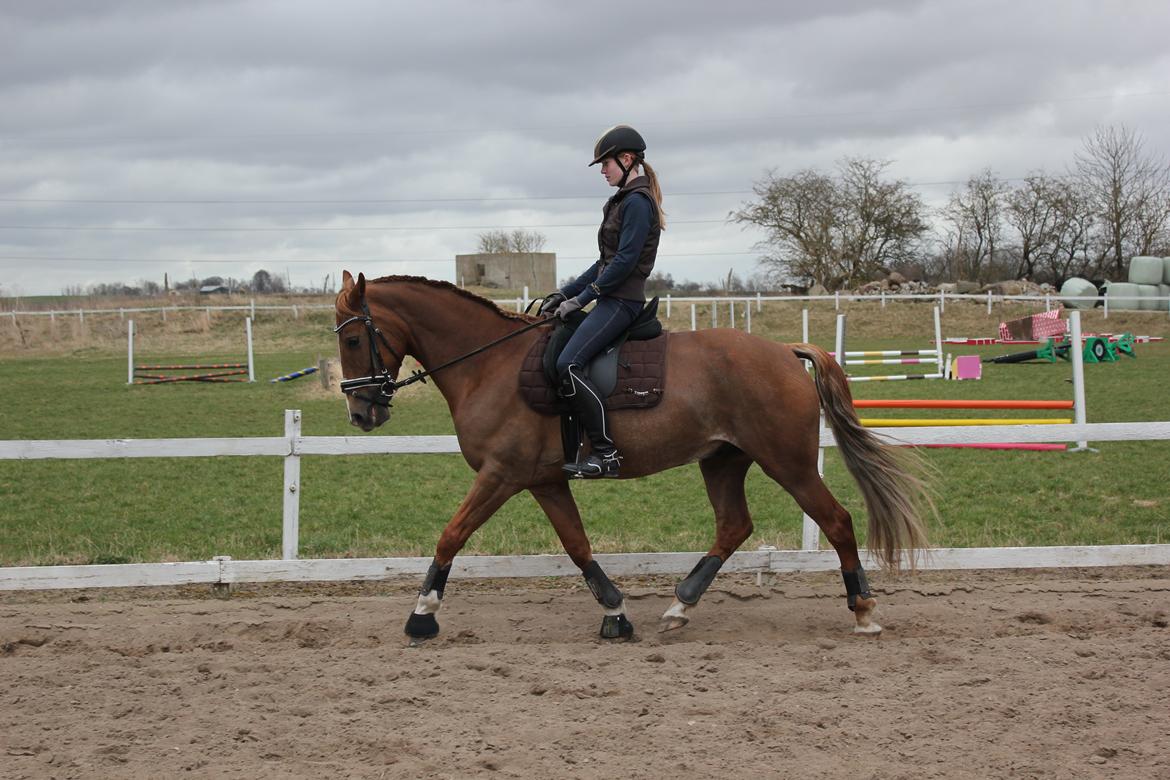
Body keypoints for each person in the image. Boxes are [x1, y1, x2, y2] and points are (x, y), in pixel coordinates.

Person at [538, 124, 666, 478]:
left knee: (569, 364)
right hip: (608, 298)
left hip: (622, 303)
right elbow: (602, 263)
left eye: (606, 164)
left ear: (627, 160)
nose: (603, 172)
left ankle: (606, 452)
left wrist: (584, 298)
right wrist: (566, 293)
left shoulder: (638, 204)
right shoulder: (621, 202)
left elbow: (624, 263)